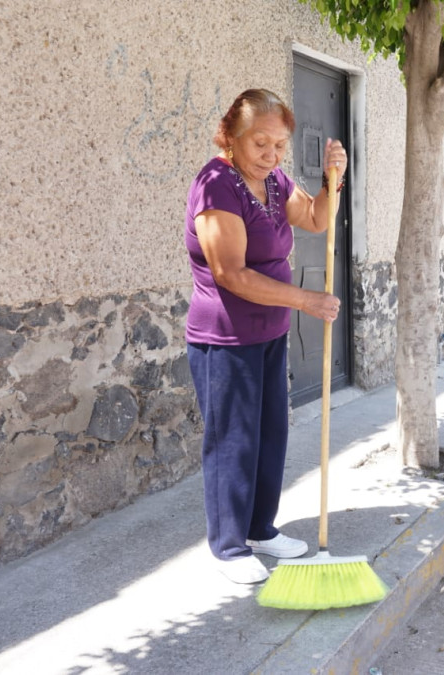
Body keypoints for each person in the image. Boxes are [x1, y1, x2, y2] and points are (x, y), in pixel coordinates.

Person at [184, 88, 347, 584]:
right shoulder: (216, 186)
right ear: (230, 137)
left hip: (270, 331)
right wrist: (307, 301)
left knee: (271, 433)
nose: (271, 155)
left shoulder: (274, 181)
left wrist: (331, 180)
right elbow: (231, 274)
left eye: (279, 145)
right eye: (260, 143)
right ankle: (229, 545)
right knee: (233, 441)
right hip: (226, 337)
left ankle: (260, 529)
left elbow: (317, 218)